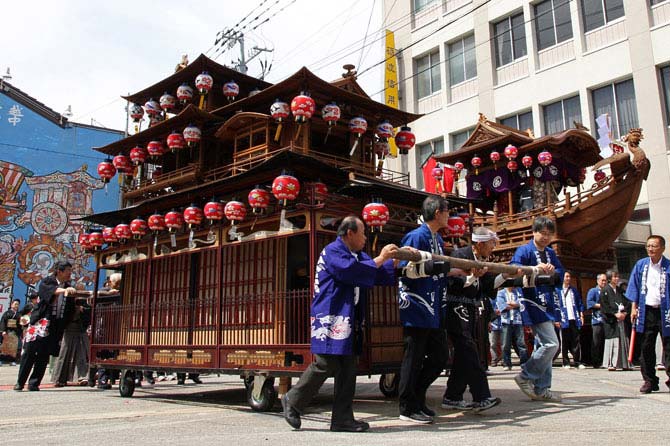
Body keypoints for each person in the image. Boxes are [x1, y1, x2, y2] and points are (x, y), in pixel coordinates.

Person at [280, 216, 397, 432]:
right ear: (349, 233)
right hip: (331, 315)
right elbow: (352, 272)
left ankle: (342, 419)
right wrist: (381, 258)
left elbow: (373, 272)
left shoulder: (357, 254)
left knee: (348, 367)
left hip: (349, 318)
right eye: (362, 233)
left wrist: (393, 262)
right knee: (326, 363)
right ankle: (293, 400)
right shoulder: (333, 251)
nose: (365, 237)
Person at [396, 196, 451, 424]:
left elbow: (440, 270)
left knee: (440, 356)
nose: (449, 215)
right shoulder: (416, 236)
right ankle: (407, 407)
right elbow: (401, 269)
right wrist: (427, 267)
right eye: (447, 211)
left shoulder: (437, 238)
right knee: (414, 357)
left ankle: (418, 397)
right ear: (437, 212)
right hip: (417, 304)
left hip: (434, 305)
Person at [442, 226, 502, 413]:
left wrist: (506, 275)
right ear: (480, 244)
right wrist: (470, 277)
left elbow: (488, 286)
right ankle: (481, 396)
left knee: (463, 353)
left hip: (469, 308)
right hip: (454, 306)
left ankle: (452, 396)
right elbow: (450, 282)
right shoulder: (460, 254)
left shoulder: (482, 259)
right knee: (468, 348)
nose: (493, 247)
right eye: (491, 243)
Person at [510, 216, 563, 402]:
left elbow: (561, 273)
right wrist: (534, 268)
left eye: (549, 234)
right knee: (551, 344)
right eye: (543, 233)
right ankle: (525, 375)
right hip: (532, 301)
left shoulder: (550, 253)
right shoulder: (524, 250)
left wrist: (553, 271)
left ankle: (542, 388)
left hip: (547, 301)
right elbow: (514, 268)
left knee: (543, 345)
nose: (546, 237)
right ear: (534, 232)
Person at [15, 260, 76, 391]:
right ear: (59, 271)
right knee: (29, 352)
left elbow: (70, 308)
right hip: (40, 323)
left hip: (54, 325)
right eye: (68, 271)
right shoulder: (48, 281)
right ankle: (20, 382)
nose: (70, 273)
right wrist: (64, 290)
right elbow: (50, 292)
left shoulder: (68, 286)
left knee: (44, 354)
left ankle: (34, 383)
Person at [625, 235, 670, 393]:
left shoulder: (668, 266)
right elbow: (634, 288)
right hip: (647, 311)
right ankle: (649, 381)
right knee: (646, 347)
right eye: (648, 246)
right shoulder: (641, 265)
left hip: (666, 311)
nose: (650, 249)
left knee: (669, 346)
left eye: (654, 246)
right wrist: (633, 308)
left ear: (662, 248)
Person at [600, 269, 630, 371]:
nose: (617, 279)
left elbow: (627, 303)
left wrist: (625, 312)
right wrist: (614, 314)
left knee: (622, 339)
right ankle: (611, 363)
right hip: (610, 320)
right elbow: (605, 306)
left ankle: (624, 363)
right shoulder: (605, 290)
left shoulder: (620, 290)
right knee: (612, 340)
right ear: (609, 279)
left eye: (617, 277)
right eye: (614, 277)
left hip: (620, 318)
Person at [557, 271, 585, 369]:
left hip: (574, 317)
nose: (568, 278)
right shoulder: (558, 290)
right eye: (566, 276)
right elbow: (555, 305)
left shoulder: (573, 290)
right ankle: (565, 362)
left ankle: (577, 361)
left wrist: (581, 314)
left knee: (576, 340)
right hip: (564, 319)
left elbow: (579, 303)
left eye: (569, 276)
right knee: (564, 341)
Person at [496, 287, 528, 371]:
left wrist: (512, 304)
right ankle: (507, 363)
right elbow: (502, 306)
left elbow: (522, 304)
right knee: (506, 343)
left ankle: (524, 363)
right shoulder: (501, 293)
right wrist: (515, 305)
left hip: (518, 320)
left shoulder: (518, 292)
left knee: (521, 343)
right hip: (506, 320)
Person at [586, 274, 607, 368]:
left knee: (605, 342)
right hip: (597, 320)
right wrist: (602, 306)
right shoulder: (593, 291)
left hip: (607, 320)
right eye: (602, 280)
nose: (604, 282)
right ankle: (595, 361)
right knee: (596, 342)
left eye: (605, 280)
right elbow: (589, 303)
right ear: (598, 281)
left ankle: (605, 360)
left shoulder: (607, 291)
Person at [1, 299, 22, 365]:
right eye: (15, 304)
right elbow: (3, 322)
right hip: (8, 331)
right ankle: (2, 360)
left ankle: (11, 360)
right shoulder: (7, 313)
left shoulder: (19, 314)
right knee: (5, 346)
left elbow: (20, 324)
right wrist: (3, 331)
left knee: (13, 347)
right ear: (11, 304)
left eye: (17, 304)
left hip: (15, 331)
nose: (16, 305)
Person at [489, 298, 502, 367]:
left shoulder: (503, 295)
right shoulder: (491, 299)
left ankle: (503, 359)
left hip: (503, 322)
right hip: (493, 323)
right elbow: (488, 309)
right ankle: (494, 359)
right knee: (492, 343)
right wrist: (495, 312)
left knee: (504, 343)